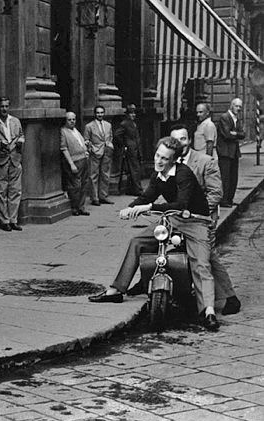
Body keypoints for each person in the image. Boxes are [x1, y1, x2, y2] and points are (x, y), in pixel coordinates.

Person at [88, 136, 220, 331]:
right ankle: (116, 290)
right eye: (158, 156)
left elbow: (181, 204)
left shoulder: (183, 174)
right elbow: (147, 195)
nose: (159, 161)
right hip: (172, 220)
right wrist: (130, 208)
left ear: (173, 160)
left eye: (165, 158)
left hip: (195, 222)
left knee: (201, 264)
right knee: (137, 242)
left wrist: (148, 207)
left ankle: (208, 311)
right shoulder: (157, 175)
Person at [169, 126, 240, 315]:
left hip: (203, 217)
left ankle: (230, 298)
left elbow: (216, 193)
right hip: (181, 217)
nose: (180, 144)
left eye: (183, 139)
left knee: (207, 256)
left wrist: (194, 212)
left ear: (190, 140)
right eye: (176, 141)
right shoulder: (170, 162)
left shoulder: (205, 161)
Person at [0, 97, 24, 231]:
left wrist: (20, 140)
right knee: (1, 190)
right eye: (2, 106)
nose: (4, 109)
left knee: (15, 190)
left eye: (6, 106)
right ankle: (4, 221)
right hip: (0, 159)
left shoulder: (15, 121)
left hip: (15, 158)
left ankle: (13, 219)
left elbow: (21, 135)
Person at [216, 97, 246, 207]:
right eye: (236, 106)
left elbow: (243, 134)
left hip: (234, 152)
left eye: (240, 107)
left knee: (234, 177)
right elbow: (227, 134)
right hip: (225, 152)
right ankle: (224, 200)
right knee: (225, 177)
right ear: (231, 105)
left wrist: (235, 133)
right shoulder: (225, 117)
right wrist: (236, 134)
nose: (238, 108)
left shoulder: (237, 118)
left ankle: (229, 199)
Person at [59, 112, 90, 216]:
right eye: (69, 119)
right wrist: (71, 164)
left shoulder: (76, 130)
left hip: (84, 159)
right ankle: (74, 207)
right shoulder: (63, 131)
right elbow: (64, 148)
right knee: (75, 185)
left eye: (73, 119)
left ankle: (81, 207)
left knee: (84, 184)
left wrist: (85, 148)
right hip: (74, 160)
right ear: (66, 120)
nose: (72, 121)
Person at [84, 105, 114, 206]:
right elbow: (86, 140)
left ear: (104, 113)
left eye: (101, 112)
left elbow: (110, 137)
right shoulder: (89, 126)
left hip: (107, 151)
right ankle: (94, 198)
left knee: (105, 175)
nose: (100, 114)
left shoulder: (108, 125)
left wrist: (109, 146)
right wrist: (91, 148)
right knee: (94, 175)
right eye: (98, 113)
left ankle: (103, 196)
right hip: (95, 152)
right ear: (95, 114)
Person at [114, 103, 143, 195]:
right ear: (127, 114)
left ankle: (131, 189)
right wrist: (124, 145)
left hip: (136, 149)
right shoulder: (124, 124)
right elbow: (117, 135)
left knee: (134, 169)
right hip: (130, 150)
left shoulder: (134, 123)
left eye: (134, 113)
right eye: (131, 113)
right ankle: (137, 190)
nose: (133, 115)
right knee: (134, 170)